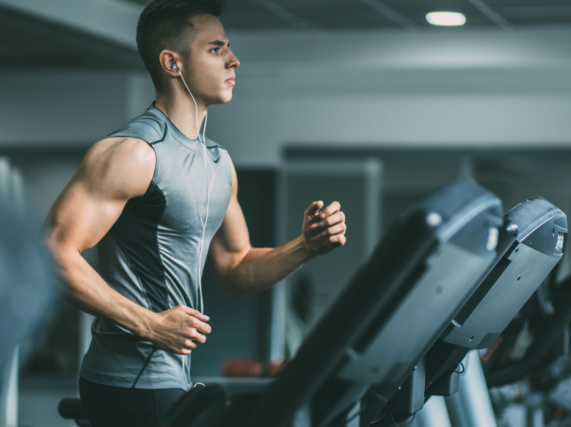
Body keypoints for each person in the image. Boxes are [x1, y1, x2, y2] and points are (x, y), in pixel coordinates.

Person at [43, 0, 347, 425]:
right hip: (128, 380)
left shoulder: (218, 163)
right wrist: (149, 324)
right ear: (173, 63)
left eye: (229, 48)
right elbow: (53, 254)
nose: (234, 60)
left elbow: (236, 268)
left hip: (175, 375)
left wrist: (305, 247)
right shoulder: (134, 153)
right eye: (216, 48)